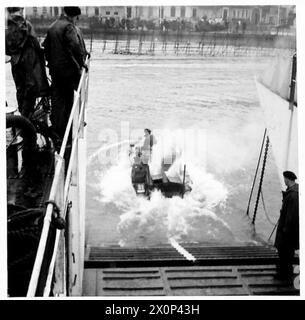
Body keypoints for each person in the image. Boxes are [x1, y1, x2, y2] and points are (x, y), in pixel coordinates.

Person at [43, 6, 89, 145]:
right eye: (77, 17)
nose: (77, 20)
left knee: (58, 101)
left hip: (55, 71)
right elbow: (75, 46)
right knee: (71, 99)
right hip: (68, 72)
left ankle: (58, 130)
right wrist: (82, 63)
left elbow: (45, 47)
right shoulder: (68, 27)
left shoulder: (52, 27)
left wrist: (50, 63)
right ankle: (71, 128)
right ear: (73, 16)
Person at [5, 7, 49, 118]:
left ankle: (22, 114)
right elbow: (35, 43)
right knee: (31, 88)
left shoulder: (5, 26)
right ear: (20, 10)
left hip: (15, 62)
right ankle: (26, 117)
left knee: (20, 89)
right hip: (29, 62)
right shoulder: (26, 25)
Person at [274, 171, 299, 280]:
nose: (284, 180)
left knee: (285, 254)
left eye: (284, 179)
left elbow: (291, 216)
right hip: (288, 231)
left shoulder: (293, 195)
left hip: (287, 233)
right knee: (285, 254)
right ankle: (284, 273)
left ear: (287, 179)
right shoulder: (293, 192)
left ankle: (284, 276)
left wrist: (285, 231)